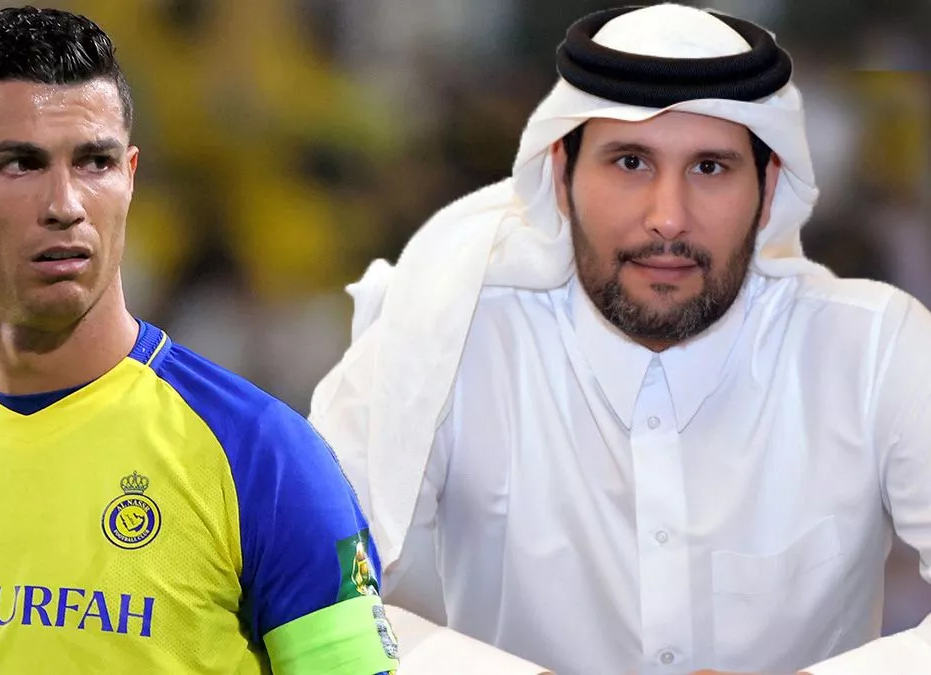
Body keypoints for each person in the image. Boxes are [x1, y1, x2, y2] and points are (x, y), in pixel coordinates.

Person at [0, 7, 399, 674]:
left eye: (95, 162)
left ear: (131, 175)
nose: (65, 204)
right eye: (20, 164)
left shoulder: (262, 458)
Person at [310, 4, 931, 675]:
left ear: (768, 186)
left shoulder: (875, 351)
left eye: (710, 168)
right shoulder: (442, 339)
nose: (668, 217)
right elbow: (315, 599)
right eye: (631, 162)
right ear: (562, 177)